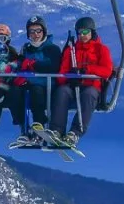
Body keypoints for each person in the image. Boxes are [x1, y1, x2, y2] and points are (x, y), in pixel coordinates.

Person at [48, 16, 114, 147]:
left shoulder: (101, 50)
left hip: (91, 87)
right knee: (62, 91)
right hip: (72, 86)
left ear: (92, 32)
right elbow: (61, 74)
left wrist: (87, 70)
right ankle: (57, 130)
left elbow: (106, 70)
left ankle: (75, 132)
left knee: (88, 94)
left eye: (86, 32)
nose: (82, 35)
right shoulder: (71, 50)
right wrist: (69, 76)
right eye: (80, 33)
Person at [10, 15, 62, 147]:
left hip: (46, 86)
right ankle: (23, 129)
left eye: (38, 31)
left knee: (36, 91)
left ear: (44, 31)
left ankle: (39, 127)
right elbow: (20, 64)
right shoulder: (26, 48)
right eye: (32, 31)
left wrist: (33, 64)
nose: (35, 34)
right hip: (29, 84)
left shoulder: (52, 49)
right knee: (14, 91)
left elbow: (53, 67)